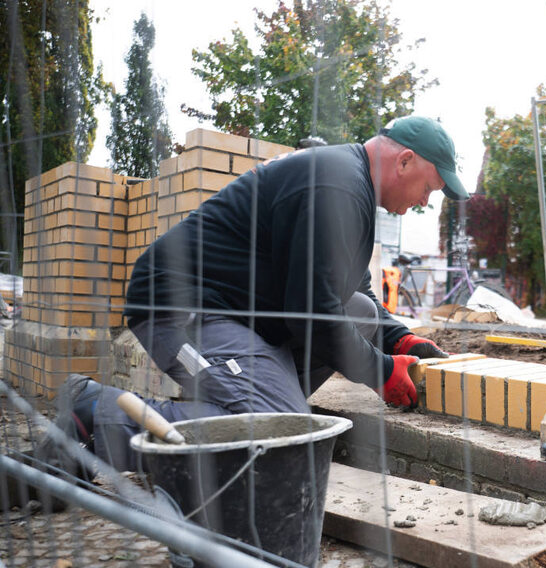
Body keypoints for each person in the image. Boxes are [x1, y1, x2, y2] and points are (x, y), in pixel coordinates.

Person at [46, 116, 467, 472]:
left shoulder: (350, 184)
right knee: (281, 432)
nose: (424, 200)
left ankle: (247, 401)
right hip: (183, 309)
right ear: (404, 161)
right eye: (429, 188)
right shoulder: (339, 185)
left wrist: (399, 339)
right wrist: (380, 371)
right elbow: (313, 312)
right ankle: (95, 412)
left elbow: (351, 291)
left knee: (361, 314)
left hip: (239, 316)